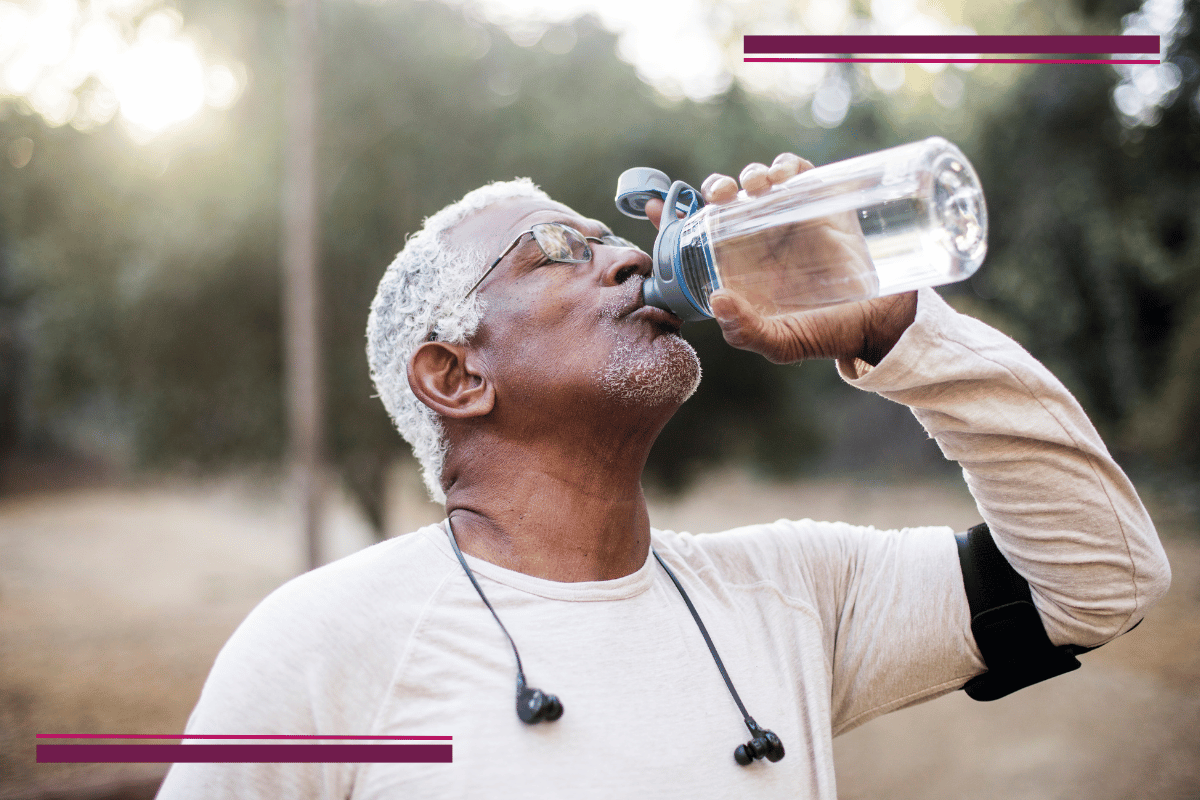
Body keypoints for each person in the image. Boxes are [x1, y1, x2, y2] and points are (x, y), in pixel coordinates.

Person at [157, 154, 1171, 799]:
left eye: (615, 238)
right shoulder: (323, 645)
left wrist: (898, 329)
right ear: (454, 374)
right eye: (556, 248)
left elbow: (1105, 578)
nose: (629, 264)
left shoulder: (795, 592)